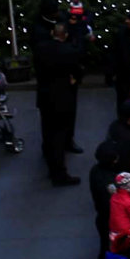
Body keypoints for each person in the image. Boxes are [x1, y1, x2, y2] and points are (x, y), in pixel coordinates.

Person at [31, 9, 88, 185]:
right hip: (62, 98)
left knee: (48, 133)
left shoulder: (41, 49)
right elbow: (78, 65)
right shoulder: (68, 52)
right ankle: (59, 173)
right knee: (59, 136)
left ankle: (51, 166)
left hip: (45, 96)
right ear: (64, 36)